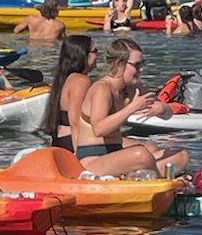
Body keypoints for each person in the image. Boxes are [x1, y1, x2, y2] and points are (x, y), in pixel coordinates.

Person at [76, 35, 189, 178]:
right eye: (136, 65)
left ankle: (139, 177)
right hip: (92, 159)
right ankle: (155, 180)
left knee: (180, 156)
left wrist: (162, 109)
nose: (140, 70)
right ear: (119, 64)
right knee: (141, 155)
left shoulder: (132, 87)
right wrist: (132, 107)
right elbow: (99, 129)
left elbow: (168, 113)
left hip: (116, 153)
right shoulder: (102, 89)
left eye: (142, 64)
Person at [40, 34, 95, 151]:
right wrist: (78, 155)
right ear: (83, 55)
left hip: (62, 140)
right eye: (95, 51)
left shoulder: (64, 79)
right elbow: (75, 121)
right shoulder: (81, 81)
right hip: (74, 143)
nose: (98, 55)